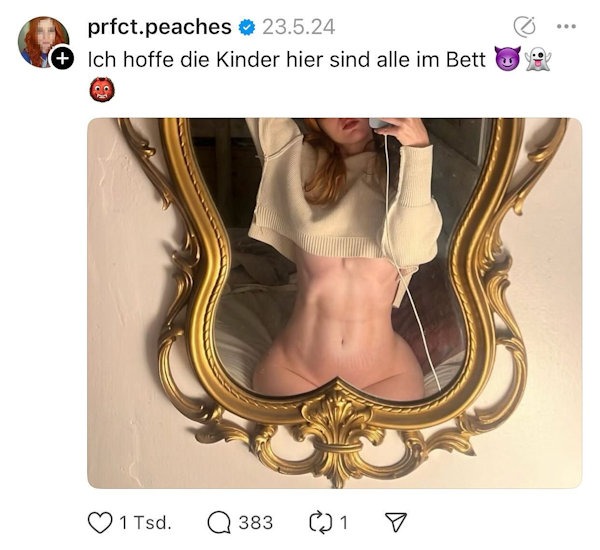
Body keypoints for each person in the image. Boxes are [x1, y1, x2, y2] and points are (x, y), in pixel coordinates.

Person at [247, 118, 442, 401]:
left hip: (387, 376)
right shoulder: (295, 160)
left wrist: (418, 150)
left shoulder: (401, 171)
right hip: (294, 370)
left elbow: (408, 251)